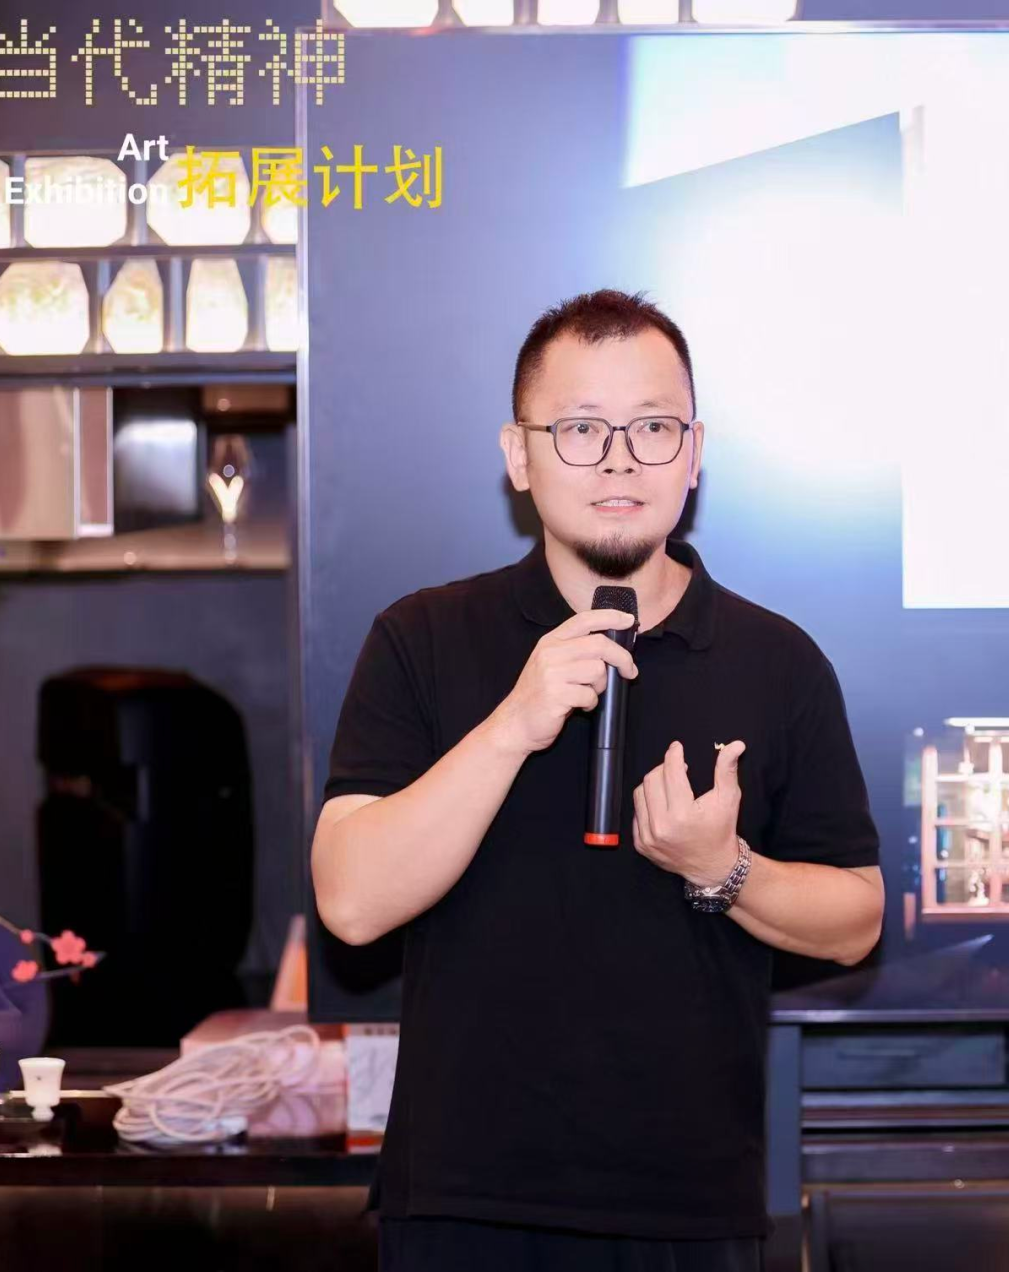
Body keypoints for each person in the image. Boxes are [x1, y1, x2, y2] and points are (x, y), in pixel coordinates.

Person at [311, 288, 884, 1272]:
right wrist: (513, 725)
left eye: (653, 428)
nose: (620, 460)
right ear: (519, 455)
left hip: (689, 1212)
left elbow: (856, 919)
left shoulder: (779, 662)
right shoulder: (422, 638)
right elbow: (352, 904)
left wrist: (724, 868)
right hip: (464, 1204)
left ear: (694, 454)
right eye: (580, 429)